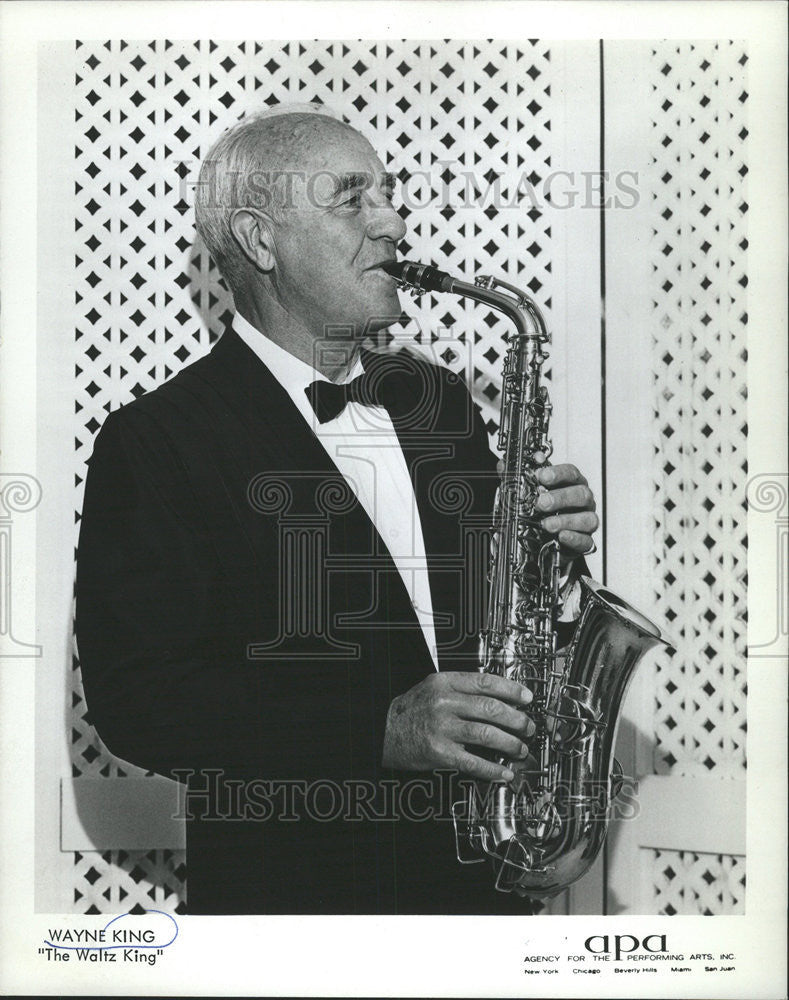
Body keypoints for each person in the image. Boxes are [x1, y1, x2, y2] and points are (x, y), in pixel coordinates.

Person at [75, 104, 599, 914]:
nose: (391, 221)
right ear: (259, 240)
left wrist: (551, 560)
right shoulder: (158, 441)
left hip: (484, 887)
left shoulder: (436, 401)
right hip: (300, 896)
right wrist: (380, 730)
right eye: (352, 198)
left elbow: (500, 621)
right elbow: (141, 700)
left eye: (388, 194)